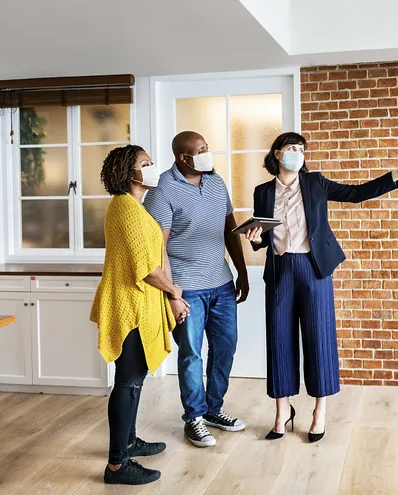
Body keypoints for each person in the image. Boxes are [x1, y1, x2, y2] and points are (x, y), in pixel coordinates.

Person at [245, 132, 398, 442]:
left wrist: (395, 175)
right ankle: (282, 412)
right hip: (280, 270)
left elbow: (356, 193)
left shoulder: (315, 183)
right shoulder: (263, 192)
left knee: (319, 338)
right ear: (277, 154)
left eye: (301, 149)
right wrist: (256, 239)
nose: (298, 153)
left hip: (314, 268)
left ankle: (319, 411)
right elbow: (262, 239)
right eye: (291, 148)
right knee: (279, 339)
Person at [90, 145, 190, 485]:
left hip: (141, 305)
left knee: (134, 379)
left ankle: (129, 442)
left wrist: (171, 296)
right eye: (145, 164)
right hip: (129, 308)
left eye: (151, 162)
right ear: (126, 172)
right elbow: (146, 269)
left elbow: (156, 257)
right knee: (128, 382)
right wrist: (175, 293)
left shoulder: (137, 207)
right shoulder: (125, 208)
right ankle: (117, 465)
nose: (151, 168)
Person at [143, 131, 249, 448]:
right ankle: (194, 418)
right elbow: (157, 249)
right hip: (187, 288)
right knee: (191, 353)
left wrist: (242, 272)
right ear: (184, 158)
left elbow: (230, 229)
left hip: (222, 283)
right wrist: (172, 294)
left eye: (207, 148)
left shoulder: (216, 182)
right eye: (201, 150)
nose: (207, 153)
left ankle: (213, 409)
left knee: (225, 347)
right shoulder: (162, 190)